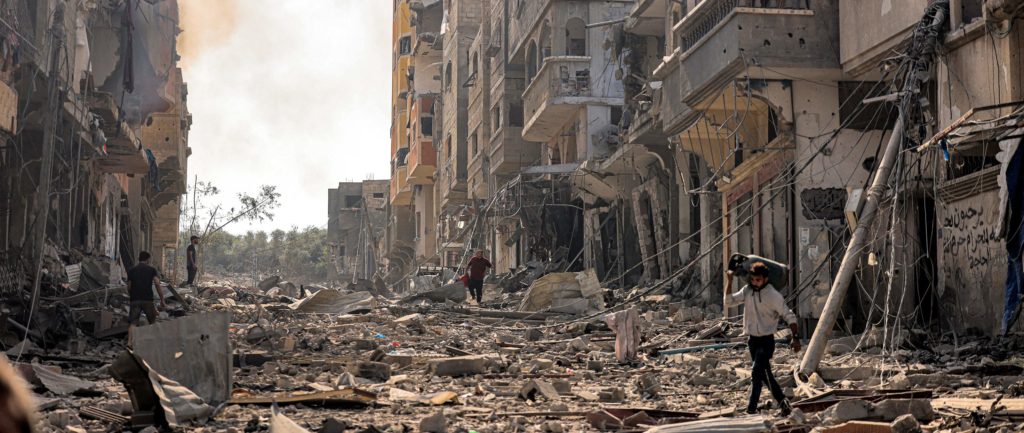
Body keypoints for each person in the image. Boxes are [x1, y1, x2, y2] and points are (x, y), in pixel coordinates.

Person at [727, 261, 799, 416]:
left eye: (758, 280)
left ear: (765, 279)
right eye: (753, 279)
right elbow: (728, 302)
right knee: (765, 376)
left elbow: (789, 315)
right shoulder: (747, 290)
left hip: (766, 341)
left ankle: (751, 409)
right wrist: (730, 281)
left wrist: (796, 337)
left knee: (756, 373)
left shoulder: (773, 295)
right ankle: (783, 403)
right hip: (752, 341)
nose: (755, 282)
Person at [127, 251, 166, 326]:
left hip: (135, 300)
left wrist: (132, 296)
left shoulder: (132, 270)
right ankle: (152, 337)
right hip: (147, 300)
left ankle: (131, 338)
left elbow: (129, 287)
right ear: (148, 260)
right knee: (152, 323)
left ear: (139, 259)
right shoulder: (152, 270)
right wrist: (162, 299)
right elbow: (157, 284)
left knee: (133, 324)